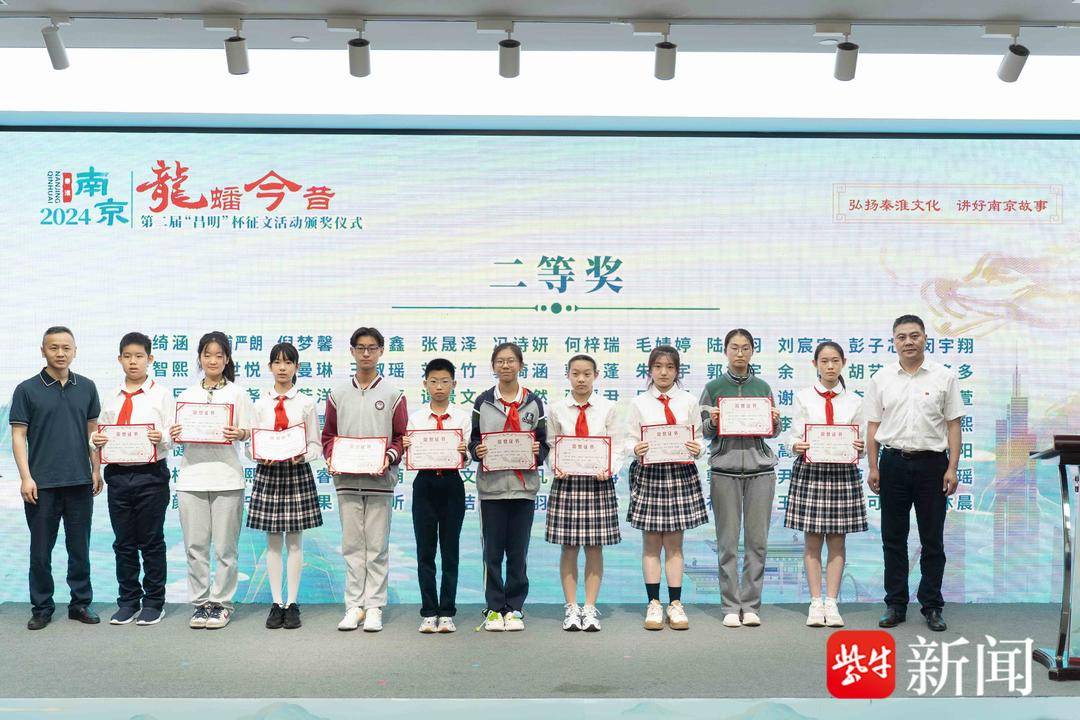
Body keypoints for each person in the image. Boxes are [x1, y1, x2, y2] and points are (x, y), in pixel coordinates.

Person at [865, 314, 963, 633]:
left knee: (932, 538)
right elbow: (873, 426)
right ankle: (895, 603)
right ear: (894, 341)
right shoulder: (881, 378)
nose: (908, 341)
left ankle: (932, 605)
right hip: (892, 463)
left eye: (914, 335)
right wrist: (873, 466)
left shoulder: (944, 377)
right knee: (893, 537)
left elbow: (953, 425)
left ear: (925, 339)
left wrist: (952, 467)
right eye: (902, 337)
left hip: (932, 465)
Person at [10, 326, 103, 630]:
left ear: (75, 350)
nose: (60, 353)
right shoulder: (27, 389)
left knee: (80, 549)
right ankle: (42, 607)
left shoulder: (87, 387)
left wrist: (96, 469)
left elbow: (93, 432)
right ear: (43, 351)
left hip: (79, 482)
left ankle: (80, 603)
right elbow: (18, 435)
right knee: (40, 551)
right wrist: (26, 477)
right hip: (42, 484)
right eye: (54, 348)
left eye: (66, 348)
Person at [323, 327, 407, 633]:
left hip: (380, 481)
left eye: (372, 348)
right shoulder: (337, 394)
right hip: (346, 480)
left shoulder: (394, 395)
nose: (366, 353)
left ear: (381, 351)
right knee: (352, 546)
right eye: (361, 348)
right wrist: (331, 457)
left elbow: (401, 437)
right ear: (352, 351)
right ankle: (354, 606)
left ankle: (374, 606)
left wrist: (389, 457)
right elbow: (328, 436)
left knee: (377, 547)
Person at [171, 331, 253, 630]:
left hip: (227, 478)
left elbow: (251, 433)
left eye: (219, 355)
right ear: (200, 358)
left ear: (227, 359)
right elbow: (174, 435)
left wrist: (240, 433)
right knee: (195, 547)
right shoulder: (186, 396)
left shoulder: (238, 394)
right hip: (191, 478)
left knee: (225, 549)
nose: (213, 360)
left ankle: (221, 604)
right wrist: (175, 434)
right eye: (207, 355)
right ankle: (200, 603)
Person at [700, 328, 781, 628]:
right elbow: (703, 430)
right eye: (734, 347)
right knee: (728, 544)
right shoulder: (713, 387)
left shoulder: (762, 387)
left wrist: (774, 421)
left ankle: (751, 604)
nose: (740, 353)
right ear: (725, 350)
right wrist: (713, 422)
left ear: (752, 351)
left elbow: (773, 431)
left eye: (745, 348)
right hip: (725, 470)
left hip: (761, 472)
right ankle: (731, 606)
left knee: (757, 543)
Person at [91, 331, 173, 626]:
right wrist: (95, 441)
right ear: (119, 359)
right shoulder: (111, 396)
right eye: (127, 356)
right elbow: (99, 434)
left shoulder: (161, 394)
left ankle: (154, 603)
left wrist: (161, 436)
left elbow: (173, 433)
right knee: (123, 542)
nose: (133, 362)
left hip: (151, 475)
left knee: (151, 541)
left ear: (150, 359)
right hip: (118, 476)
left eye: (139, 356)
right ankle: (127, 601)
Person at [785, 341, 867, 628]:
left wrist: (860, 447)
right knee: (812, 541)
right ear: (815, 364)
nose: (830, 366)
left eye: (835, 361)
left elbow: (861, 442)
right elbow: (793, 435)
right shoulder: (803, 397)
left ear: (843, 363)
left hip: (842, 473)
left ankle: (831, 602)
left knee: (837, 540)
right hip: (811, 471)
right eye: (824, 361)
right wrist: (796, 444)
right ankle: (815, 601)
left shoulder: (855, 401)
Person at [625, 345, 707, 631]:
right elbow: (628, 440)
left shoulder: (689, 401)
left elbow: (699, 438)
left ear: (677, 371)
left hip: (680, 474)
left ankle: (675, 603)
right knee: (651, 544)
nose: (663, 372)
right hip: (650, 474)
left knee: (674, 544)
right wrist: (635, 448)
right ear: (649, 370)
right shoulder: (639, 403)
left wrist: (698, 449)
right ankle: (653, 603)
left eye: (670, 367)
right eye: (658, 366)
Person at [469, 342, 548, 632]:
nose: (505, 365)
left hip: (523, 488)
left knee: (518, 552)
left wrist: (536, 453)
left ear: (520, 365)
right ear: (493, 366)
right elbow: (473, 440)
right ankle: (493, 608)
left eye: (511, 360)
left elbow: (544, 443)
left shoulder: (534, 402)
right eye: (500, 361)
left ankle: (514, 607)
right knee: (491, 553)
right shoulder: (483, 402)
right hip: (491, 489)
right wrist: (476, 450)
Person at [246, 342, 323, 630]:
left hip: (296, 472)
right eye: (277, 362)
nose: (282, 368)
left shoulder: (306, 403)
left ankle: (292, 603)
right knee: (273, 543)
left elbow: (315, 444)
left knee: (295, 541)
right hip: (268, 473)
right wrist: (258, 455)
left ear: (296, 367)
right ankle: (276, 603)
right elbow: (250, 445)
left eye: (288, 363)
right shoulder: (259, 404)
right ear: (269, 367)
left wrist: (303, 455)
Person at [545, 354, 620, 632]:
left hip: (598, 483)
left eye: (587, 374)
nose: (581, 379)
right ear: (567, 375)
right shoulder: (556, 409)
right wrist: (556, 466)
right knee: (568, 547)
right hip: (567, 483)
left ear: (596, 375)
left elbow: (616, 445)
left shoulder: (608, 408)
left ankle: (589, 607)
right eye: (575, 374)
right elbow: (551, 446)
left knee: (594, 546)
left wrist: (609, 468)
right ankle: (571, 607)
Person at [403, 358, 471, 634]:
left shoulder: (462, 417)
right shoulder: (416, 418)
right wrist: (407, 447)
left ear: (454, 384)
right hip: (425, 485)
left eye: (445, 381)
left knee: (450, 551)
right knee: (425, 551)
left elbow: (467, 456)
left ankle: (447, 612)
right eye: (434, 381)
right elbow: (410, 457)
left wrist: (465, 451)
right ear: (425, 384)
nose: (439, 387)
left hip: (452, 484)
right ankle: (429, 612)